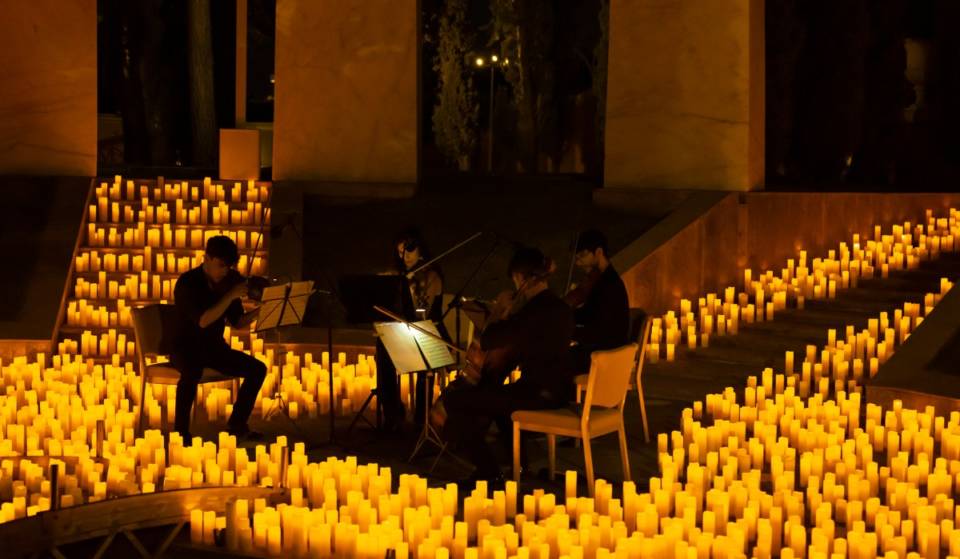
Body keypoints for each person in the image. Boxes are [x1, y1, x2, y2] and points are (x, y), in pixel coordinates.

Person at [442, 247, 575, 487]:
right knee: (499, 401)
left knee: (456, 399)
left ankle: (489, 472)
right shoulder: (560, 306)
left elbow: (489, 339)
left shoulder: (533, 311)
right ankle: (520, 464)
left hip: (537, 395)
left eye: (515, 279)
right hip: (558, 391)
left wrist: (500, 309)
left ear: (522, 279)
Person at [171, 235, 266, 441]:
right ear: (206, 258)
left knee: (258, 369)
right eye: (221, 266)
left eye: (229, 267)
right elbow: (203, 320)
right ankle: (180, 433)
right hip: (185, 346)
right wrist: (230, 296)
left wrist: (261, 311)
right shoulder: (188, 283)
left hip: (214, 348)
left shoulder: (228, 283)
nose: (225, 271)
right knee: (191, 370)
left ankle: (237, 424)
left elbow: (238, 323)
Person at [376, 229, 446, 432]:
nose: (404, 257)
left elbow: (422, 313)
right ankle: (392, 411)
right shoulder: (399, 274)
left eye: (408, 252)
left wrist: (410, 288)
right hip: (401, 332)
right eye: (399, 253)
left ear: (420, 251)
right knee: (382, 346)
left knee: (423, 358)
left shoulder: (432, 276)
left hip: (426, 331)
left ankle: (420, 418)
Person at [566, 229, 630, 373]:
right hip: (601, 347)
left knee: (556, 361)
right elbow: (589, 313)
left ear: (599, 252)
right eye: (576, 257)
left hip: (606, 352)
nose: (578, 262)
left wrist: (570, 331)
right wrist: (565, 315)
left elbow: (600, 330)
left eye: (582, 255)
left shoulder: (609, 284)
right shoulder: (602, 280)